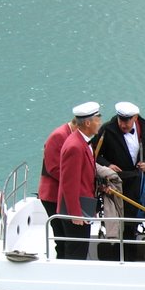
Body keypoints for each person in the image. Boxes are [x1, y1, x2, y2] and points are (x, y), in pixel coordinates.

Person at [95, 101, 145, 249]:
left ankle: (129, 252)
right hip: (114, 182)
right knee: (114, 218)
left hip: (137, 181)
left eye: (127, 121)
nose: (123, 125)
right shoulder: (107, 130)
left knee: (133, 219)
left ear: (135, 118)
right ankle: (114, 250)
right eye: (121, 120)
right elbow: (94, 154)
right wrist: (108, 165)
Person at [56, 102, 103, 260]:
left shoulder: (82, 142)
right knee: (76, 251)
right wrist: (75, 214)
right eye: (98, 119)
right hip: (77, 210)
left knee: (81, 248)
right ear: (88, 123)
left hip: (84, 205)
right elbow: (69, 184)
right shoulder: (75, 146)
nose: (100, 123)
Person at [39, 106, 81, 258]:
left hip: (65, 193)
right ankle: (62, 261)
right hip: (52, 195)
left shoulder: (71, 136)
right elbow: (53, 168)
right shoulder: (58, 136)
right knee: (61, 235)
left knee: (67, 235)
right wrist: (79, 180)